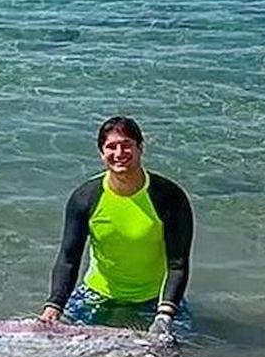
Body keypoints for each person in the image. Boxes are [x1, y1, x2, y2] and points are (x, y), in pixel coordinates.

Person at [39, 116, 194, 340]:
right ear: (101, 153)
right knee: (48, 343)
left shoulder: (169, 197)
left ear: (140, 148)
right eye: (111, 147)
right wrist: (54, 305)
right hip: (96, 295)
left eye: (127, 145)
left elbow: (178, 265)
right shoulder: (85, 198)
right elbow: (68, 259)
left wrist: (165, 314)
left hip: (154, 299)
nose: (119, 153)